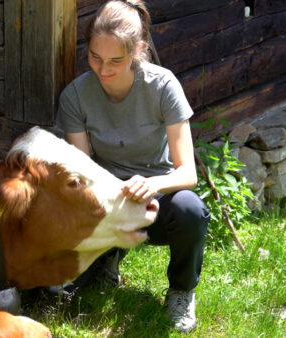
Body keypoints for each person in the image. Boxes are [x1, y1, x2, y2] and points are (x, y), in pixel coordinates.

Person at [54, 0, 210, 332]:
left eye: (115, 61)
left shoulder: (163, 86)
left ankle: (182, 290)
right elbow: (82, 171)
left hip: (156, 200)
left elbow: (188, 174)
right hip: (106, 201)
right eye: (95, 57)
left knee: (190, 209)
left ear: (138, 50)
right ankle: (107, 257)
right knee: (60, 296)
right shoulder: (75, 96)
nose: (103, 70)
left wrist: (152, 184)